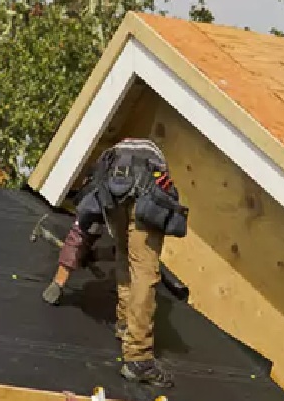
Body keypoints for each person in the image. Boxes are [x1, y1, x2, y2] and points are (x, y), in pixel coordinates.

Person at [42, 138, 188, 388]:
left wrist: (58, 282)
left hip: (120, 185)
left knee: (124, 252)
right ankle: (138, 357)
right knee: (144, 270)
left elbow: (80, 233)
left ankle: (124, 324)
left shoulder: (103, 180)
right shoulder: (143, 165)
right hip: (146, 187)